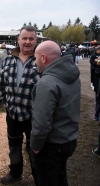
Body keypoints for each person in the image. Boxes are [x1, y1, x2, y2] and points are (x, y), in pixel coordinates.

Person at [31, 40, 80, 186]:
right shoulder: (73, 76)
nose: (35, 62)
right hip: (69, 139)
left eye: (36, 58)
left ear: (44, 58)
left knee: (47, 180)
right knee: (60, 176)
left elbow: (41, 123)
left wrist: (36, 146)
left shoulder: (46, 83)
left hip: (52, 146)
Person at [0, 25, 40, 185]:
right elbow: (0, 84)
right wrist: (5, 103)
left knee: (35, 148)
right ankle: (15, 172)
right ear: (18, 40)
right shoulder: (7, 60)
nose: (27, 42)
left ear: (36, 40)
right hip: (12, 114)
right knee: (14, 146)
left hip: (33, 117)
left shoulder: (41, 60)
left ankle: (38, 176)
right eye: (24, 38)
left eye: (31, 39)